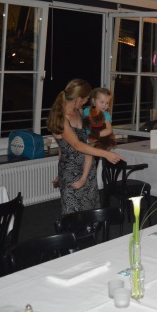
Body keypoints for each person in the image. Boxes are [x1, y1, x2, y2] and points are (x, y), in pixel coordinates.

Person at [47, 79, 124, 215]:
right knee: (73, 214)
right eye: (87, 98)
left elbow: (84, 139)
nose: (87, 101)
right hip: (72, 172)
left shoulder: (80, 112)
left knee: (91, 211)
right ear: (78, 99)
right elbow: (76, 145)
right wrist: (106, 154)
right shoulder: (61, 119)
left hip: (88, 168)